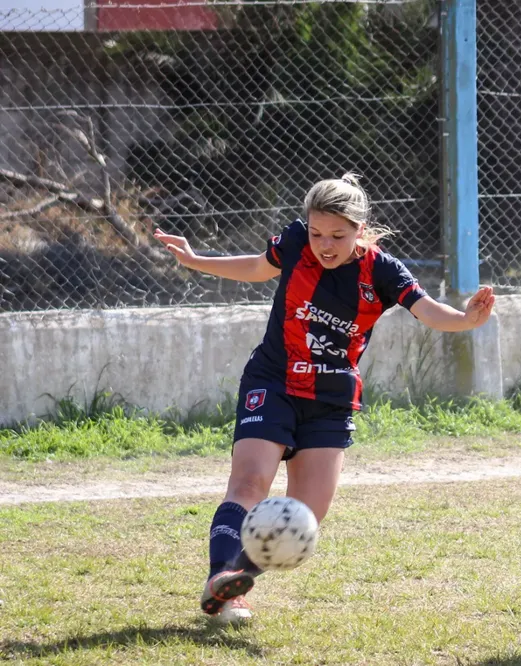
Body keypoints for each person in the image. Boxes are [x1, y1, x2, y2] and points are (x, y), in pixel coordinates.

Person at [155, 174, 496, 623]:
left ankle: (235, 578)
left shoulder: (383, 271)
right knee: (249, 484)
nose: (324, 245)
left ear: (360, 229)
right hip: (273, 381)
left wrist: (466, 320)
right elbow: (258, 268)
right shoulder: (295, 243)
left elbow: (429, 310)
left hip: (331, 399)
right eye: (317, 233)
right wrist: (197, 261)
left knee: (303, 518)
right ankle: (221, 578)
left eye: (338, 235)